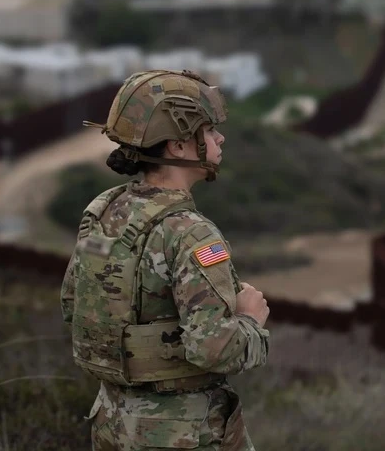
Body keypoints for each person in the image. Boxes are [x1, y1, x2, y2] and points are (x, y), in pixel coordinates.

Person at [60, 69, 271, 450]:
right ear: (177, 146)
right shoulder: (191, 233)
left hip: (111, 423)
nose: (220, 138)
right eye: (209, 130)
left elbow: (73, 304)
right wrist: (250, 321)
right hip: (181, 431)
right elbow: (213, 349)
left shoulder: (104, 210)